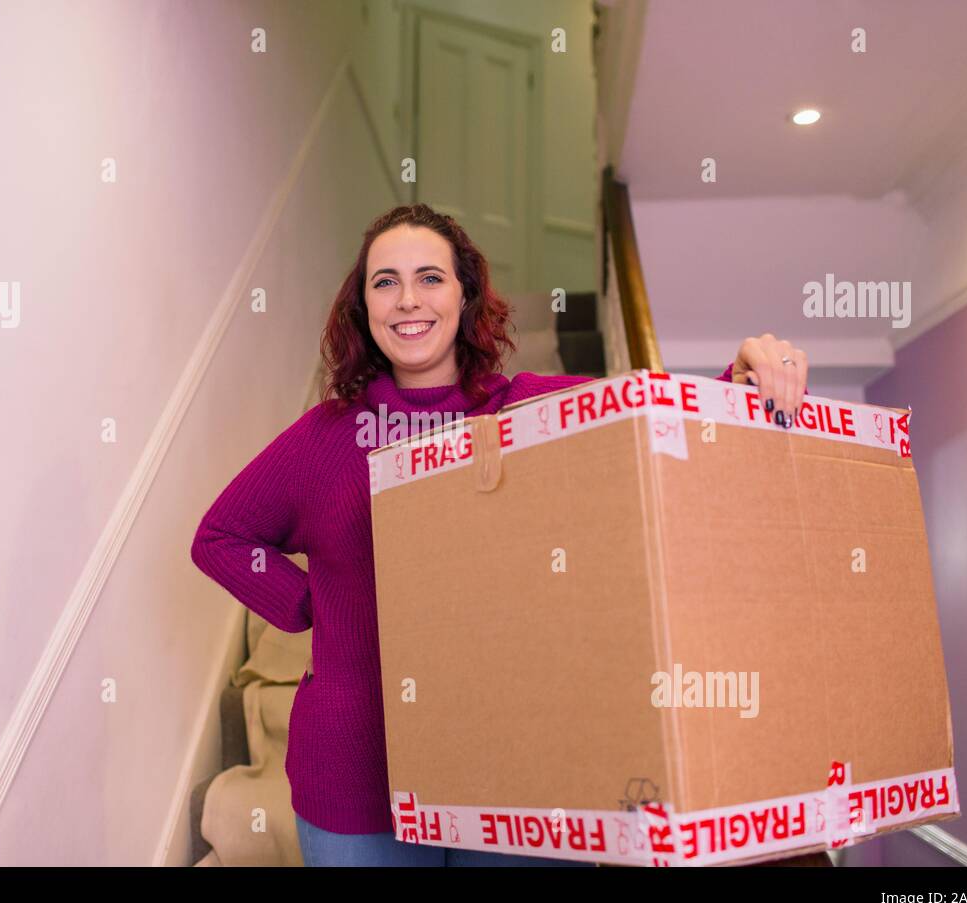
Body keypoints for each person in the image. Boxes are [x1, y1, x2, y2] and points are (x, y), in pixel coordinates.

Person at [190, 203, 811, 866]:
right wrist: (313, 604)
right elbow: (220, 535)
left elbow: (655, 429)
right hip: (355, 779)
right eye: (385, 281)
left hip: (517, 770)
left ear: (466, 295)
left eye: (430, 277)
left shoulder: (531, 411)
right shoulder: (325, 439)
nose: (408, 300)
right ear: (362, 307)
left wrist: (745, 377)